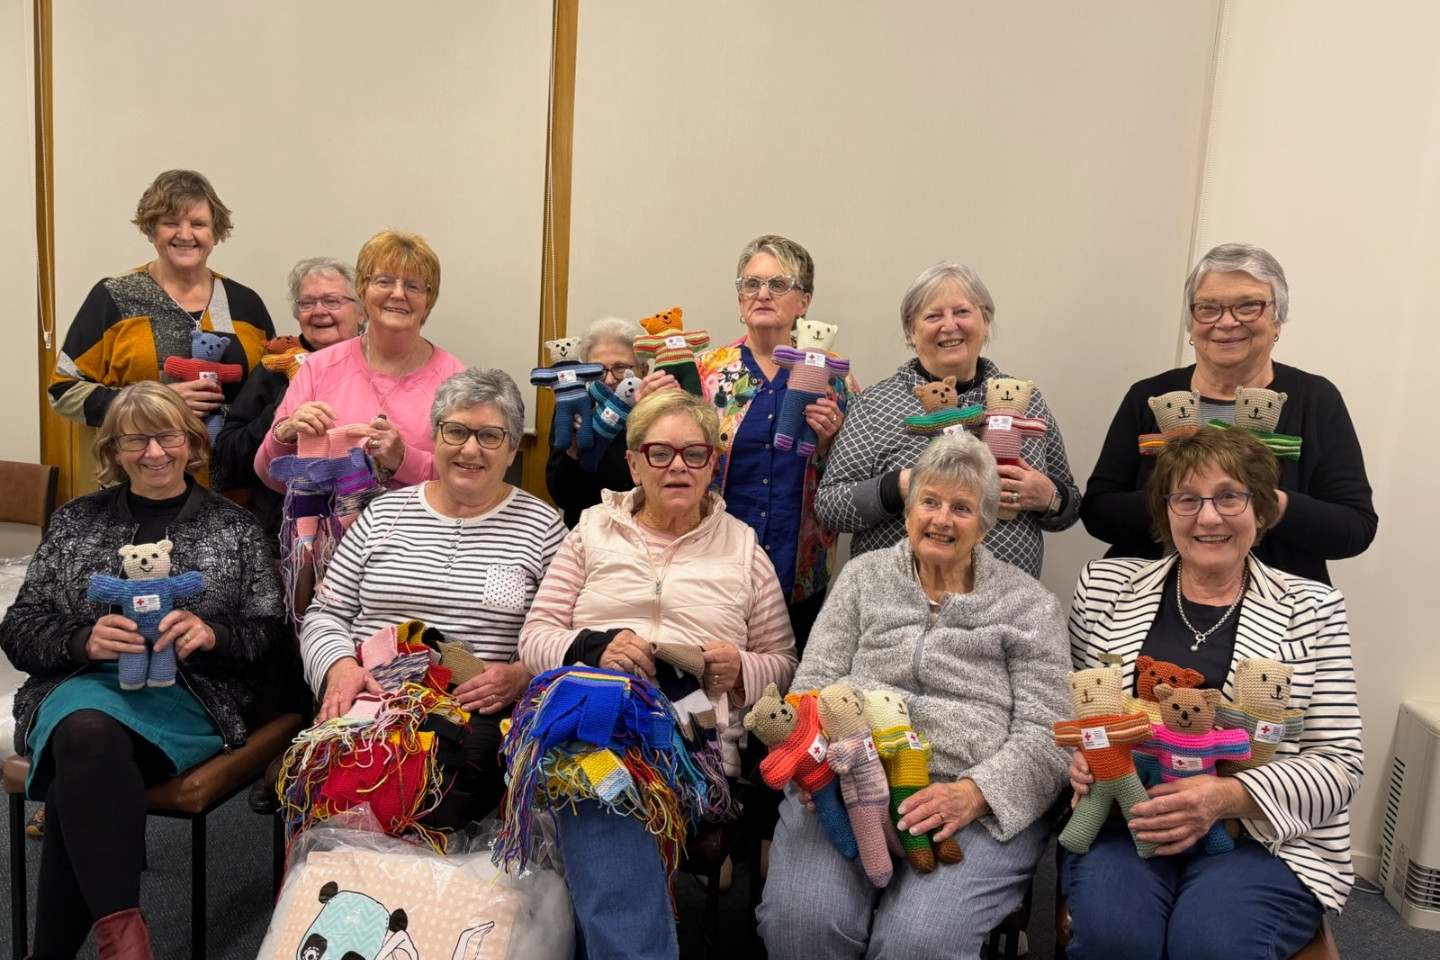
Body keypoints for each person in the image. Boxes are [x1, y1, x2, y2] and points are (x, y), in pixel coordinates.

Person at [0, 382, 286, 958]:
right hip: (75, 688)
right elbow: (20, 626)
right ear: (113, 449)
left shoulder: (234, 528)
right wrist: (82, 640)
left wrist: (214, 635)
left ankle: (59, 952)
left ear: (191, 442)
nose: (154, 453)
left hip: (195, 698)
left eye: (167, 436)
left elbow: (270, 636)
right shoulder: (76, 521)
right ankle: (123, 940)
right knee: (85, 731)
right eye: (135, 440)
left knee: (81, 763)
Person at [758, 433, 1069, 959]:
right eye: (930, 501)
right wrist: (812, 761)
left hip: (967, 801)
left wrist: (974, 794)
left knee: (918, 944)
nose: (942, 519)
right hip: (849, 778)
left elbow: (1050, 732)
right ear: (908, 511)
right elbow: (811, 688)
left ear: (987, 524)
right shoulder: (863, 577)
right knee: (803, 923)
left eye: (962, 508)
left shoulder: (1028, 604)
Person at [1062, 427, 1363, 960]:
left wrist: (1223, 798)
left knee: (1212, 944)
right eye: (1187, 498)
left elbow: (1340, 763)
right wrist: (1078, 760)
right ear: (1165, 511)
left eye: (1230, 496)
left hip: (1259, 835)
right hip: (1128, 820)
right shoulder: (1105, 586)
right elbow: (1068, 715)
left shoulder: (1313, 608)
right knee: (1118, 939)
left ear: (1262, 510)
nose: (1208, 517)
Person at [519, 390, 798, 960]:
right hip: (588, 725)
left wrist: (740, 667)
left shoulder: (744, 549)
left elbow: (787, 664)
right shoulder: (590, 533)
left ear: (711, 464)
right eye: (660, 452)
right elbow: (534, 640)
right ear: (633, 463)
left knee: (600, 792)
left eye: (695, 454)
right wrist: (594, 647)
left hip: (694, 750)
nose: (678, 466)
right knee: (600, 776)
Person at [299, 368, 566, 821]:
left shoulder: (542, 528)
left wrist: (522, 676)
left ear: (513, 449)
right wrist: (340, 668)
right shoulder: (384, 513)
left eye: (489, 436)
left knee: (438, 791)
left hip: (470, 716)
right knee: (336, 785)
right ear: (436, 436)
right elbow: (325, 614)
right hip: (369, 697)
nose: (469, 448)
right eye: (456, 431)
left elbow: (561, 636)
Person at [1080, 242, 1376, 585]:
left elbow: (1355, 528)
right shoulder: (1150, 396)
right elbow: (1099, 514)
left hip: (1275, 608)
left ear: (1277, 318)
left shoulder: (1316, 399)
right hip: (1149, 602)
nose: (1227, 321)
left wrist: (1267, 503)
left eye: (1248, 306)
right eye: (1208, 308)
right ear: (1192, 324)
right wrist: (1185, 502)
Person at [815, 261, 1080, 578]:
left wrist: (1050, 498)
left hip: (1006, 610)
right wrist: (900, 485)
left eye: (962, 312)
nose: (949, 326)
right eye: (933, 316)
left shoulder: (1025, 400)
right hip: (899, 608)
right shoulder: (875, 404)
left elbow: (1072, 506)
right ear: (912, 332)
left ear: (985, 321)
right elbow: (830, 506)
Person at [685, 235, 858, 649]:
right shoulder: (705, 374)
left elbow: (852, 478)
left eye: (779, 284)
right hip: (712, 568)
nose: (762, 293)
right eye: (751, 283)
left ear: (804, 302)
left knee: (787, 698)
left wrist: (829, 443)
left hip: (800, 571)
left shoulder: (836, 381)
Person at [48, 169, 275, 482]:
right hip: (137, 491)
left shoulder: (245, 303)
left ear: (215, 233)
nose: (185, 235)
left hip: (235, 493)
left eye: (198, 224)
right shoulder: (114, 297)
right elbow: (62, 390)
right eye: (170, 223)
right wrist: (155, 402)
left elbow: (271, 393)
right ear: (151, 230)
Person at [255, 229, 465, 493]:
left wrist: (405, 460)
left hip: (417, 533)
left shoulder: (455, 381)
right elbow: (269, 475)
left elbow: (466, 480)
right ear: (362, 291)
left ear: (428, 300)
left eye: (413, 285)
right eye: (384, 281)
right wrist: (284, 434)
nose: (398, 294)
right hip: (329, 532)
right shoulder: (318, 367)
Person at [214, 257, 363, 549]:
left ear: (362, 311)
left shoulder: (380, 363)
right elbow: (229, 454)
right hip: (284, 531)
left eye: (332, 301)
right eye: (307, 303)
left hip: (364, 528)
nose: (319, 311)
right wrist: (281, 414)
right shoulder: (273, 369)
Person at [544, 315, 648, 527]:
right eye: (598, 370)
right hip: (590, 533)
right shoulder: (573, 411)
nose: (609, 380)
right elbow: (561, 497)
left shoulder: (659, 412)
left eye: (621, 368)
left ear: (643, 371)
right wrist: (572, 456)